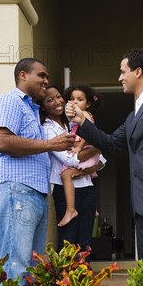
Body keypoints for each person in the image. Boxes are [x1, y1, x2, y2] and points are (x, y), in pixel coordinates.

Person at [66, 48, 143, 268]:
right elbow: (110, 143)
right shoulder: (133, 117)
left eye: (123, 72)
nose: (120, 77)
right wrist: (82, 122)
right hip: (141, 203)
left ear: (138, 71)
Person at [0, 58, 76, 285]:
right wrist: (50, 145)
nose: (46, 81)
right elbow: (2, 142)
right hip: (16, 190)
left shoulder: (33, 111)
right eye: (42, 75)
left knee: (32, 268)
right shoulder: (11, 102)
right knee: (16, 264)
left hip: (33, 193)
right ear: (23, 76)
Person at [40, 85, 101, 252]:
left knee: (85, 240)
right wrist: (97, 148)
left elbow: (101, 161)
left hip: (87, 187)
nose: (57, 102)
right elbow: (71, 159)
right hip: (64, 189)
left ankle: (83, 277)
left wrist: (95, 153)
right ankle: (66, 278)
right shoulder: (47, 129)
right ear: (43, 106)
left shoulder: (74, 120)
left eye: (58, 96)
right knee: (68, 239)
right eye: (49, 100)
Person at [58, 85, 105, 227]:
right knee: (86, 176)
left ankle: (70, 210)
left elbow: (90, 131)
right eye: (72, 99)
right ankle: (94, 209)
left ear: (88, 103)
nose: (75, 102)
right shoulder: (75, 117)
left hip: (88, 151)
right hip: (88, 153)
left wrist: (78, 146)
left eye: (79, 99)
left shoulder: (85, 114)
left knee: (66, 175)